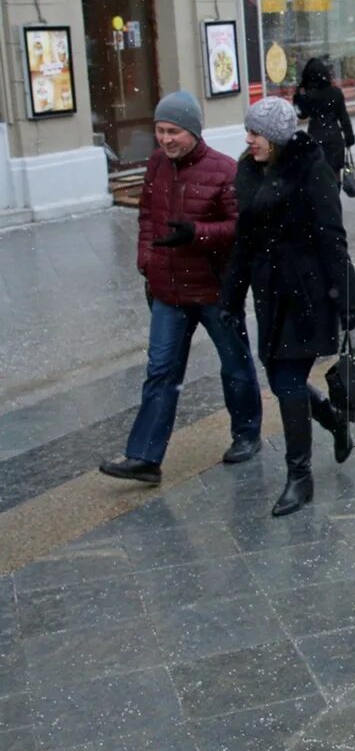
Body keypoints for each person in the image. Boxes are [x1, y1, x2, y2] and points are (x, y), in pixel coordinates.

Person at [98, 93, 263, 485]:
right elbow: (147, 216)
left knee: (235, 366)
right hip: (168, 289)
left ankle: (247, 434)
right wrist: (146, 260)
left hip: (214, 291)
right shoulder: (156, 165)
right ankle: (144, 457)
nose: (166, 139)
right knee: (160, 372)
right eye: (160, 131)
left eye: (174, 131)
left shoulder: (224, 170)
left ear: (193, 131)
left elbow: (242, 228)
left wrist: (198, 234)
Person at [221, 97, 355, 517]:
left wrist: (349, 305)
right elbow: (244, 243)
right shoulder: (249, 172)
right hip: (269, 294)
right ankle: (335, 419)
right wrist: (230, 297)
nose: (249, 140)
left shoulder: (311, 170)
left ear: (278, 137)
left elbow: (333, 239)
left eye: (256, 133)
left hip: (307, 295)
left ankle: (299, 477)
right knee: (283, 378)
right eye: (248, 132)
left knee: (285, 382)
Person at [293, 57, 355, 187]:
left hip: (316, 137)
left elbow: (301, 114)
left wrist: (298, 96)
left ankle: (323, 200)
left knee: (318, 174)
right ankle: (335, 199)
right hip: (334, 138)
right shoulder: (336, 93)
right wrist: (349, 137)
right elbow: (343, 117)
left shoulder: (308, 96)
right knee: (335, 173)